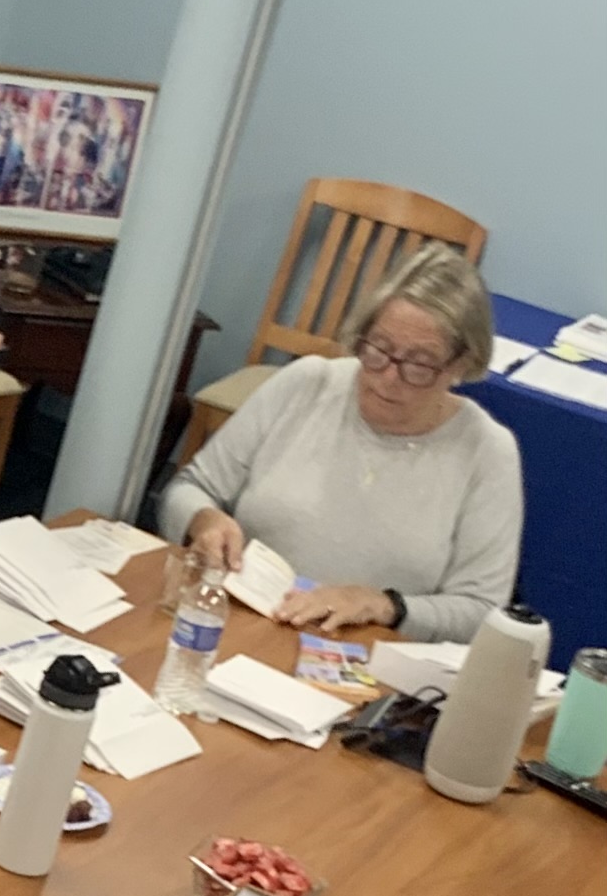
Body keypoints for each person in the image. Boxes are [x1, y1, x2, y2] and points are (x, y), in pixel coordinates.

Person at [160, 243, 521, 643]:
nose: (387, 377)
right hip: (243, 625)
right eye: (378, 349)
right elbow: (190, 487)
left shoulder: (487, 451)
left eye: (419, 364)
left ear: (460, 366)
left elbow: (480, 611)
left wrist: (384, 605)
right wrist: (203, 519)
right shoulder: (307, 383)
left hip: (365, 657)